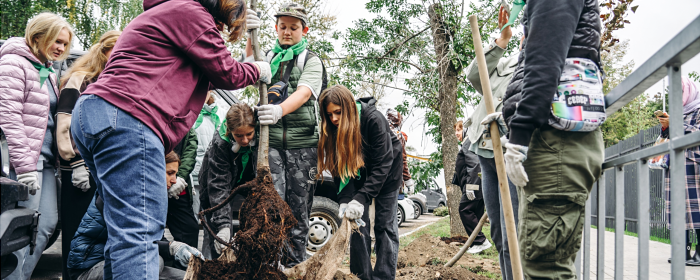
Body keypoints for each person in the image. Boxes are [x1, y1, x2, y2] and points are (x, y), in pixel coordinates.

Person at [68, 0, 270, 277]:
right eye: (222, 25)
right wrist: (258, 70)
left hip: (97, 115)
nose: (220, 32)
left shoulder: (168, 15)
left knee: (122, 232)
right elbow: (227, 72)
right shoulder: (190, 11)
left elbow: (214, 70)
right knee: (139, 234)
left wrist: (248, 56)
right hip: (129, 117)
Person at [496, 0, 604, 278]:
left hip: (554, 143)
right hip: (554, 142)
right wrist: (508, 114)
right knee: (543, 263)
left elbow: (544, 64)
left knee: (545, 269)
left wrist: (519, 133)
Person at [244, 2, 326, 266]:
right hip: (272, 146)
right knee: (271, 209)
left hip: (304, 146)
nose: (287, 32)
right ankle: (270, 267)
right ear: (276, 28)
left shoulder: (310, 60)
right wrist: (249, 35)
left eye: (293, 27)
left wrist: (278, 110)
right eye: (283, 27)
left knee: (298, 211)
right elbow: (246, 71)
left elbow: (304, 92)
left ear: (304, 30)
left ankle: (294, 267)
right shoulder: (267, 56)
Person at [0, 13, 73, 280]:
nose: (61, 48)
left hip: (44, 162)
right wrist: (24, 166)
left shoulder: (45, 69)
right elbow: (8, 117)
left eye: (65, 44)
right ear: (37, 36)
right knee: (19, 231)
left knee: (47, 224)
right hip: (24, 162)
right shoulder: (12, 63)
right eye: (56, 41)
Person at [67, 152, 200, 280]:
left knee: (190, 277)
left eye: (175, 174)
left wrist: (178, 247)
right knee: (153, 260)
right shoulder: (121, 193)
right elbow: (134, 240)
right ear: (152, 169)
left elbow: (153, 237)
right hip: (90, 268)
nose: (174, 180)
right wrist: (171, 248)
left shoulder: (150, 196)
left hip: (131, 260)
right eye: (170, 173)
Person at [318, 85, 402, 280]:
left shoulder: (373, 119)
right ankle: (361, 276)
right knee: (355, 226)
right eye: (329, 114)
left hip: (387, 174)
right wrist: (346, 199)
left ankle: (384, 276)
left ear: (348, 107)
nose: (334, 119)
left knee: (385, 225)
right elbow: (338, 167)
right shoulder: (333, 128)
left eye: (338, 112)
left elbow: (383, 163)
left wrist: (362, 196)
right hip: (359, 174)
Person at [56, 30, 120, 278]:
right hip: (79, 171)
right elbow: (65, 124)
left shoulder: (111, 81)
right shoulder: (81, 79)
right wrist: (76, 163)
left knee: (96, 238)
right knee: (76, 236)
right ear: (104, 52)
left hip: (103, 171)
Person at [463, 6, 520, 279]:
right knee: (498, 230)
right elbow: (475, 75)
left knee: (514, 230)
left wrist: (509, 121)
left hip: (512, 152)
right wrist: (502, 40)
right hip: (486, 151)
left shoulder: (542, 67)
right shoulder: (508, 63)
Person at [198, 103, 258, 259]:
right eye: (239, 136)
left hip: (242, 185)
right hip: (213, 187)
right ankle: (209, 266)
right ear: (230, 131)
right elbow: (219, 185)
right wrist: (223, 225)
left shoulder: (261, 139)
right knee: (215, 235)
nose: (245, 140)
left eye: (249, 134)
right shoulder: (221, 144)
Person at [657, 77, 700, 266]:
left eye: (681, 92)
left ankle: (699, 253)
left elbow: (696, 133)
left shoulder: (698, 109)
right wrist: (665, 128)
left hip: (693, 165)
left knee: (697, 209)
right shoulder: (677, 113)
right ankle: (681, 251)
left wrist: (674, 125)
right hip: (674, 165)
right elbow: (668, 138)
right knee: (676, 209)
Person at [452, 121, 492, 254]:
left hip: (474, 185)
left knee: (464, 209)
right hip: (478, 184)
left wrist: (470, 187)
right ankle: (477, 243)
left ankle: (481, 241)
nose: (456, 133)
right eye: (456, 131)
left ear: (466, 129)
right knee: (475, 213)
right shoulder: (471, 142)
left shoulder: (468, 142)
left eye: (459, 130)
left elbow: (474, 164)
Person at [191, 91, 228, 215]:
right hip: (193, 174)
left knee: (213, 215)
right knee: (193, 215)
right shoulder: (188, 113)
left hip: (215, 174)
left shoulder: (223, 113)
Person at [166, 128, 200, 253]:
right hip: (155, 184)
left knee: (189, 229)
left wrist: (179, 177)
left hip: (179, 189)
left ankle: (184, 266)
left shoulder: (186, 126)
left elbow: (190, 153)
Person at [386, 109, 415, 193]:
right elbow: (401, 159)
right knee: (390, 205)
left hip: (375, 178)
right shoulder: (397, 135)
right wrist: (408, 180)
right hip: (392, 179)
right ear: (398, 121)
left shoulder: (378, 130)